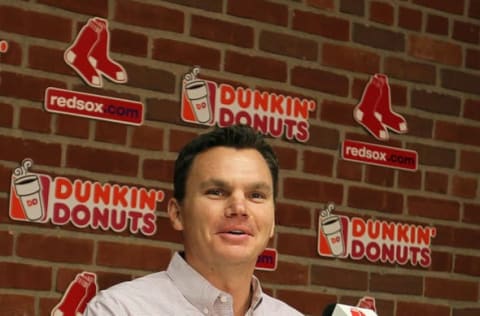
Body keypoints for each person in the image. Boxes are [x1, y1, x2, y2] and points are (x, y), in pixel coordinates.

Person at [84, 124, 304, 316]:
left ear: (273, 220)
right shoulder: (119, 310)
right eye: (217, 192)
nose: (239, 208)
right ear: (177, 214)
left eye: (256, 195)